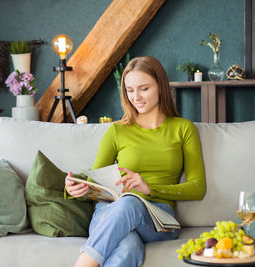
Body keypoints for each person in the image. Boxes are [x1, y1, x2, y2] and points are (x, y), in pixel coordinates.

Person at [65, 56, 206, 267]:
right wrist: (76, 186)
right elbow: (94, 179)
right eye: (130, 90)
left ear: (160, 87)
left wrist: (150, 190)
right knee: (128, 247)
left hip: (158, 217)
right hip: (110, 211)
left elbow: (197, 188)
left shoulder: (183, 128)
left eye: (144, 89)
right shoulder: (116, 130)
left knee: (130, 201)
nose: (136, 97)